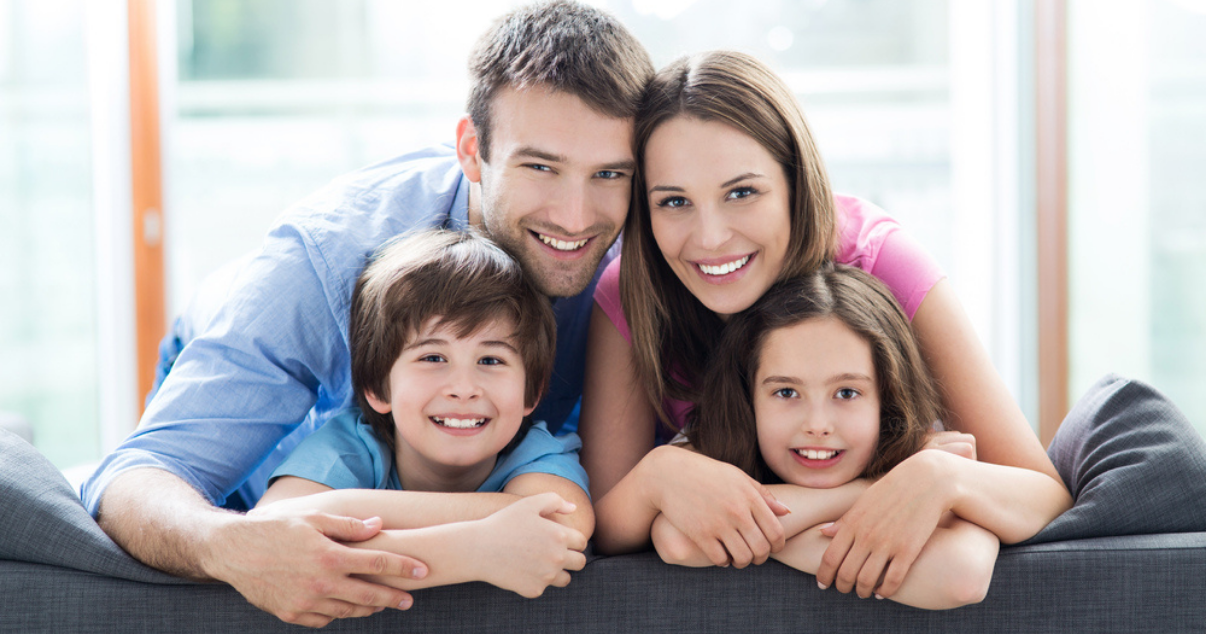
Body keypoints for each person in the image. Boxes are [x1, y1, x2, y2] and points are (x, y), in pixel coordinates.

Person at [80, 1, 653, 627]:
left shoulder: (647, 240)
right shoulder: (330, 257)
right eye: (540, 166)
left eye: (608, 173)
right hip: (283, 433)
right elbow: (137, 478)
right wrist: (232, 545)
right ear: (472, 149)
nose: (575, 217)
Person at [580, 50, 1071, 602]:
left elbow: (1043, 494)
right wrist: (657, 476)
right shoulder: (632, 291)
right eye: (674, 202)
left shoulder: (878, 259)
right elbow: (606, 529)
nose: (711, 237)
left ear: (794, 182)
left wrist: (940, 478)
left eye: (742, 192)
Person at [253, 229, 591, 598]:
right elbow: (272, 530)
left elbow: (563, 524)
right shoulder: (349, 447)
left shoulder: (537, 453)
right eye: (433, 358)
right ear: (379, 387)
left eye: (491, 360)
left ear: (532, 391)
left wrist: (339, 509)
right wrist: (476, 550)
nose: (464, 387)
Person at [649, 267, 999, 610]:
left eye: (846, 393)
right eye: (786, 392)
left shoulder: (928, 459)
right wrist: (876, 490)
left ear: (886, 400)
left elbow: (962, 575)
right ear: (748, 399)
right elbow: (676, 538)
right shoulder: (714, 446)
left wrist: (770, 532)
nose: (817, 425)